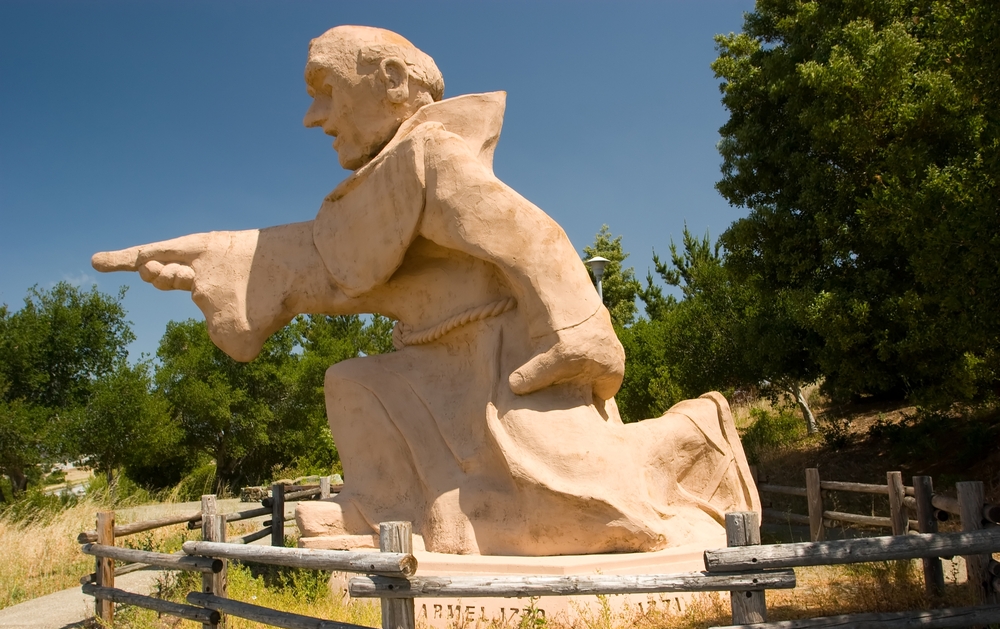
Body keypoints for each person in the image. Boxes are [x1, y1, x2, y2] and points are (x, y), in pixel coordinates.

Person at [93, 26, 758, 556]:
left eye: (325, 90)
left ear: (387, 80)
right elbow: (315, 267)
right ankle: (379, 508)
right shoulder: (379, 193)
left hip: (501, 369)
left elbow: (535, 235)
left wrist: (575, 331)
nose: (312, 117)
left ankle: (695, 434)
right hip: (428, 365)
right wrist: (214, 258)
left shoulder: (432, 159)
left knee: (594, 512)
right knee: (351, 381)